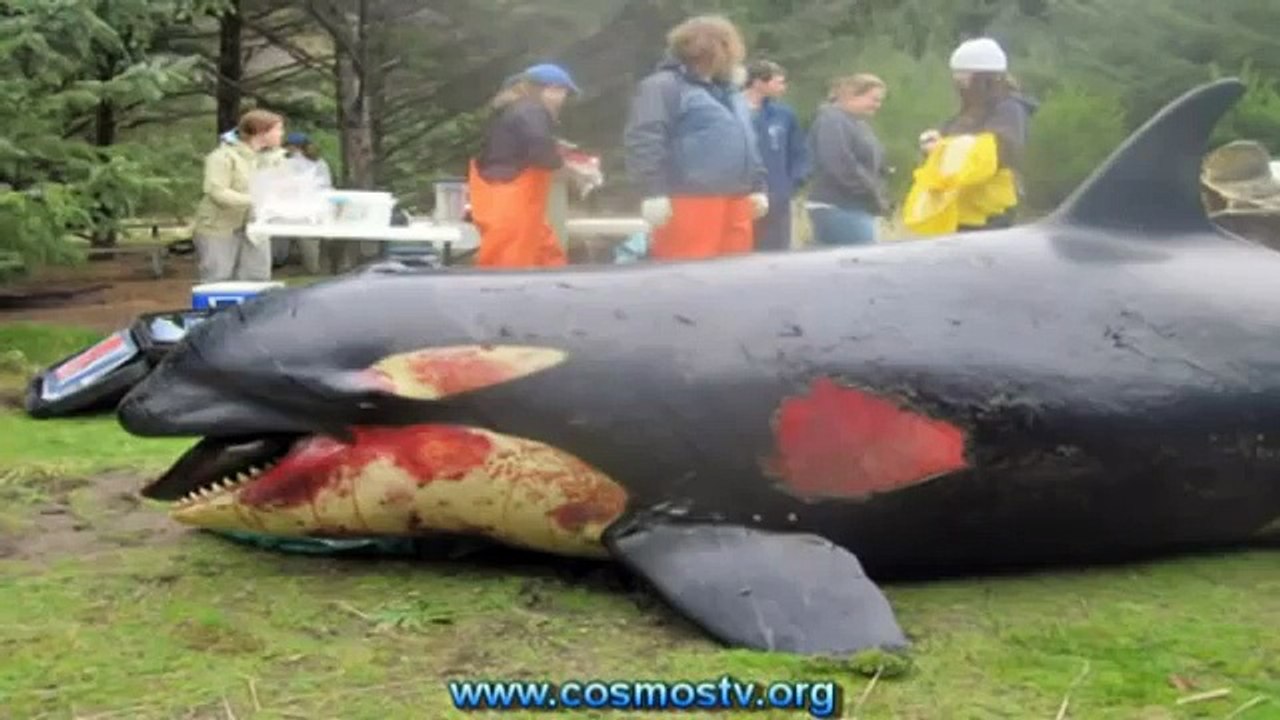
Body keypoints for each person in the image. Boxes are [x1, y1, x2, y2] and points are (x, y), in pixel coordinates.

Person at [623, 15, 768, 260]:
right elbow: (645, 139)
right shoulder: (663, 87)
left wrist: (757, 185)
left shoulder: (730, 92)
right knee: (687, 275)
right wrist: (652, 191)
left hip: (737, 199)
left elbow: (748, 141)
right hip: (690, 199)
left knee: (735, 277)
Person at [467, 63, 580, 269]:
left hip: (503, 196)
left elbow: (518, 144)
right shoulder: (532, 109)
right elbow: (539, 149)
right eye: (557, 91)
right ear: (540, 89)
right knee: (509, 265)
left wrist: (553, 149)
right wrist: (568, 166)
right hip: (512, 199)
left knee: (544, 251)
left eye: (563, 92)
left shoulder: (510, 109)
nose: (561, 98)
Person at [920, 37, 1037, 232]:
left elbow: (998, 149)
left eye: (964, 77)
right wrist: (933, 143)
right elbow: (952, 140)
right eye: (957, 77)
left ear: (984, 78)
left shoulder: (1009, 110)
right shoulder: (969, 110)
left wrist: (944, 148)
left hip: (989, 214)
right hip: (960, 212)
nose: (959, 83)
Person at [192, 109, 286, 282]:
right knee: (218, 278)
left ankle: (254, 310)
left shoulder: (273, 158)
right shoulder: (222, 156)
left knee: (257, 277)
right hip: (219, 228)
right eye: (278, 129)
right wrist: (255, 201)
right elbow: (217, 192)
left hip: (256, 227)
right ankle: (218, 310)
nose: (282, 134)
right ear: (261, 132)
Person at [805, 74, 889, 247]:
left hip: (854, 207)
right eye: (873, 99)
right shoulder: (832, 120)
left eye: (880, 101)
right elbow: (839, 163)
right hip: (839, 207)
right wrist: (871, 193)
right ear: (852, 95)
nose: (877, 105)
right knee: (861, 264)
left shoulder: (856, 123)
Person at [742, 60, 810, 252]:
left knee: (777, 251)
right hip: (741, 195)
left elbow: (799, 151)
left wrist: (795, 180)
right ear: (758, 82)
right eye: (778, 82)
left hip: (777, 196)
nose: (784, 87)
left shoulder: (783, 115)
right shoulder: (731, 111)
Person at [280, 131, 334, 274]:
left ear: (293, 147)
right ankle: (316, 268)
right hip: (317, 205)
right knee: (312, 240)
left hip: (298, 207)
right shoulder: (320, 162)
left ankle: (312, 270)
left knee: (305, 240)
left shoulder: (288, 163)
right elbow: (326, 185)